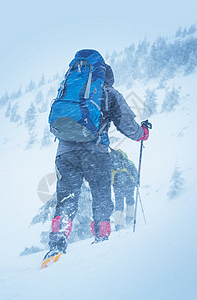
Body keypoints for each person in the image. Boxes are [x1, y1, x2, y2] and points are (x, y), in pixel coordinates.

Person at [44, 50, 149, 261]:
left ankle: (56, 245)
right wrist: (143, 134)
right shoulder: (109, 93)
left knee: (66, 199)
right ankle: (101, 241)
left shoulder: (69, 88)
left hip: (65, 153)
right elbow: (128, 126)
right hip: (96, 153)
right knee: (101, 198)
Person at [110, 149, 138, 230]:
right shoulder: (127, 162)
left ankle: (119, 224)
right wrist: (137, 182)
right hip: (129, 185)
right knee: (130, 200)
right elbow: (135, 172)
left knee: (119, 204)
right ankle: (130, 218)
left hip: (117, 187)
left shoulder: (111, 164)